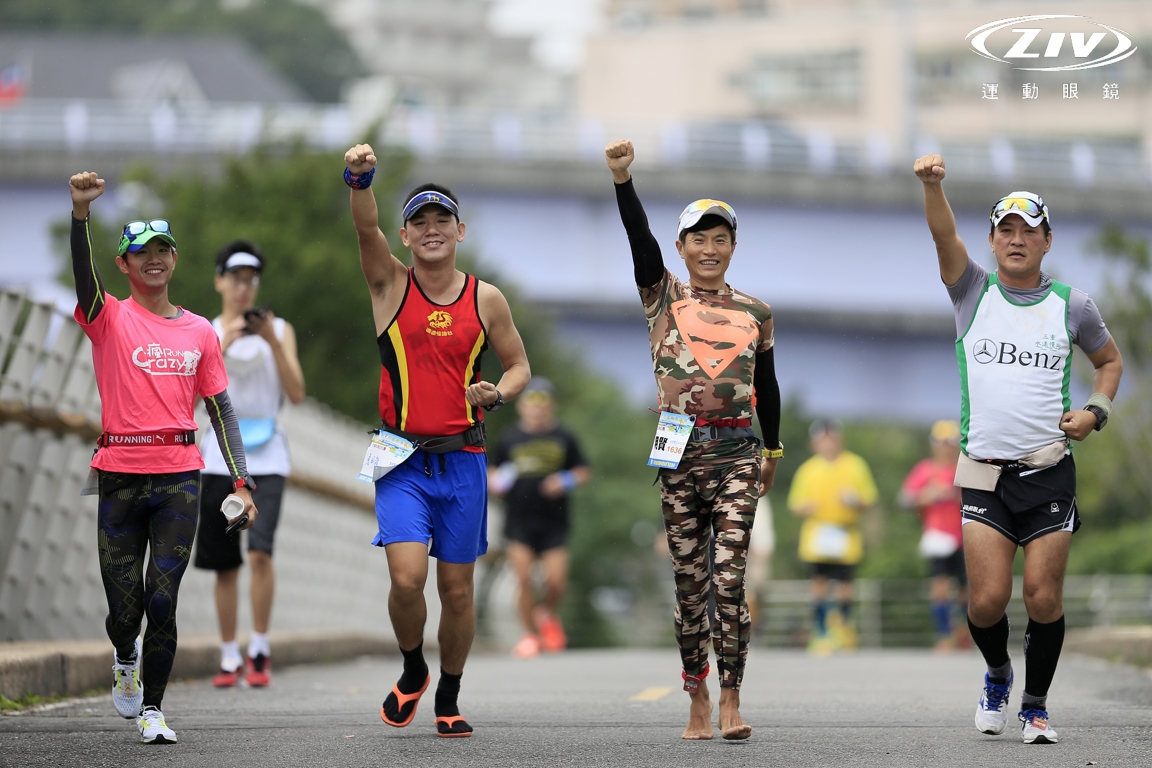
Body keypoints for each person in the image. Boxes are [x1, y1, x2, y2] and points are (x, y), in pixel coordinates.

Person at [915, 154, 1123, 744]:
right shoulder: (971, 292)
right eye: (1005, 229)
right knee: (984, 602)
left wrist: (1095, 412)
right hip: (983, 473)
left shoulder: (1072, 305)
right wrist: (933, 186)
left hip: (1049, 471)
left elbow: (1109, 363)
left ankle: (1035, 705)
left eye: (1028, 230)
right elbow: (942, 233)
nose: (1016, 239)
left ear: (1047, 242)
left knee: (1041, 595)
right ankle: (999, 673)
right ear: (992, 239)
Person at [344, 143, 531, 738]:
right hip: (400, 458)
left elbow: (520, 367)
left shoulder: (486, 298)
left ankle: (448, 695)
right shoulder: (388, 287)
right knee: (406, 578)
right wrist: (359, 178)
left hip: (464, 460)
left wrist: (496, 393)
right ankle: (411, 669)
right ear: (405, 235)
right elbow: (365, 223)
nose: (431, 231)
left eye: (441, 221)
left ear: (460, 230)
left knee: (456, 588)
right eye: (419, 222)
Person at [69, 172, 257, 744]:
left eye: (162, 251)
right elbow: (84, 278)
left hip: (181, 479)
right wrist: (80, 216)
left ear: (174, 259)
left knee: (163, 598)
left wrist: (242, 482)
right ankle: (123, 654)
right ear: (124, 264)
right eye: (140, 253)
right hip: (118, 477)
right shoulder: (109, 319)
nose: (153, 260)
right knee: (125, 611)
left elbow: (221, 411)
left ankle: (154, 708)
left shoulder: (201, 332)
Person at [606, 139, 783, 741]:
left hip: (738, 451)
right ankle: (697, 695)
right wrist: (623, 179)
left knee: (730, 576)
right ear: (681, 249)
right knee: (690, 585)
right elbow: (638, 241)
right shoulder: (663, 298)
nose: (709, 249)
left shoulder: (756, 311)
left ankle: (733, 696)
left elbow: (771, 386)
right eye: (698, 240)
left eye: (720, 239)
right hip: (678, 448)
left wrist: (774, 449)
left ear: (733, 247)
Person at [193, 241, 306, 688]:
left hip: (268, 455)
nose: (243, 288)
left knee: (260, 550)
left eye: (250, 280)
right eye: (235, 279)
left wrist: (271, 340)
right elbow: (194, 389)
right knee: (225, 561)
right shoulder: (207, 330)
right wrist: (226, 342)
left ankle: (259, 646)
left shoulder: (280, 329)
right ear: (220, 281)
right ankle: (227, 655)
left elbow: (296, 392)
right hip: (218, 455)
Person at [488, 376, 591, 659]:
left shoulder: (564, 437)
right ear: (522, 407)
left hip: (554, 520)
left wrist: (565, 480)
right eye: (531, 403)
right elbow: (493, 471)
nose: (537, 410)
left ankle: (546, 612)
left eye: (542, 404)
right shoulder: (509, 438)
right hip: (518, 519)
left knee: (556, 581)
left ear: (551, 406)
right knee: (523, 579)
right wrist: (495, 481)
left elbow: (583, 471)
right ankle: (529, 636)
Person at [787, 418, 877, 655]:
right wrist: (806, 507)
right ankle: (820, 631)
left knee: (845, 585)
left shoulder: (855, 465)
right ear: (814, 443)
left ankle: (844, 630)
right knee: (818, 584)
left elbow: (869, 499)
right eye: (822, 440)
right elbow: (794, 504)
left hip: (845, 533)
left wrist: (855, 500)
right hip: (817, 534)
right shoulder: (808, 469)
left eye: (831, 438)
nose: (827, 444)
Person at [899, 420, 969, 652]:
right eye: (941, 443)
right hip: (938, 537)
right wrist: (928, 495)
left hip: (965, 536)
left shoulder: (964, 467)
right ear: (933, 445)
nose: (945, 447)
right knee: (939, 587)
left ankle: (964, 633)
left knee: (966, 589)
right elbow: (905, 499)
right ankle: (944, 634)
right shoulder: (925, 469)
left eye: (949, 442)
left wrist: (955, 494)